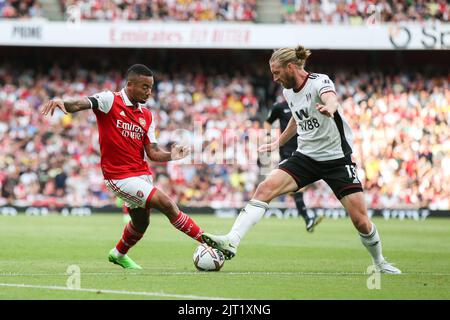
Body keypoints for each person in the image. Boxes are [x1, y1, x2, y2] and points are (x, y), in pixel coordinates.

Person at [202, 46, 401, 274]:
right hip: (305, 156)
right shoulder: (288, 92)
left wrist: (329, 108)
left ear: (290, 67)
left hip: (337, 159)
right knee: (265, 188)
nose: (274, 78)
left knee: (361, 222)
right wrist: (278, 142)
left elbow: (332, 101)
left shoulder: (319, 81)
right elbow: (297, 120)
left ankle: (379, 262)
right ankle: (232, 240)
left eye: (277, 72)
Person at [41, 64, 205, 269]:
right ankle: (208, 241)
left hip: (141, 174)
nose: (149, 91)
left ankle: (118, 254)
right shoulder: (110, 100)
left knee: (141, 223)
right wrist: (63, 102)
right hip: (118, 176)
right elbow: (82, 103)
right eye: (144, 86)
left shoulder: (147, 116)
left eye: (151, 87)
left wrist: (172, 155)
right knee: (166, 203)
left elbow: (152, 152)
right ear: (130, 85)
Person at [264, 100, 323, 232]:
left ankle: (307, 218)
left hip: (305, 148)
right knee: (296, 189)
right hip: (287, 151)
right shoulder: (279, 106)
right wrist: (268, 136)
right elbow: (268, 121)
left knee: (295, 189)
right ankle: (308, 219)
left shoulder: (304, 103)